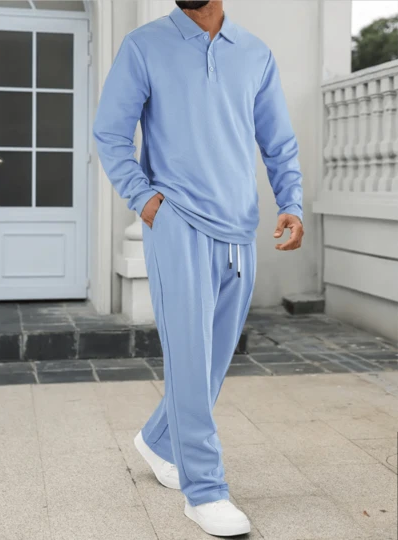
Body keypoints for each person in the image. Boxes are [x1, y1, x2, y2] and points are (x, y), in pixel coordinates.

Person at [93, 1, 304, 536]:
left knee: (210, 362)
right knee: (189, 356)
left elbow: (277, 140)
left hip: (240, 229)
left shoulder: (255, 54)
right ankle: (205, 490)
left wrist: (291, 202)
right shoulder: (144, 46)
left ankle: (158, 440)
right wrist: (145, 200)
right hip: (177, 221)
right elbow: (110, 132)